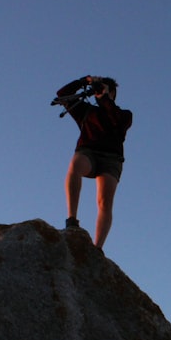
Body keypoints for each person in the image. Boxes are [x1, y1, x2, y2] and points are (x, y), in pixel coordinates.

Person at [56, 75, 133, 249]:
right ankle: (72, 219)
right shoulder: (87, 111)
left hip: (111, 159)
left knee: (104, 202)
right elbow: (62, 94)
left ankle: (98, 248)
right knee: (75, 166)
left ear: (112, 93)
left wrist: (105, 97)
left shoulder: (124, 115)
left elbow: (115, 120)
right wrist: (84, 81)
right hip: (88, 151)